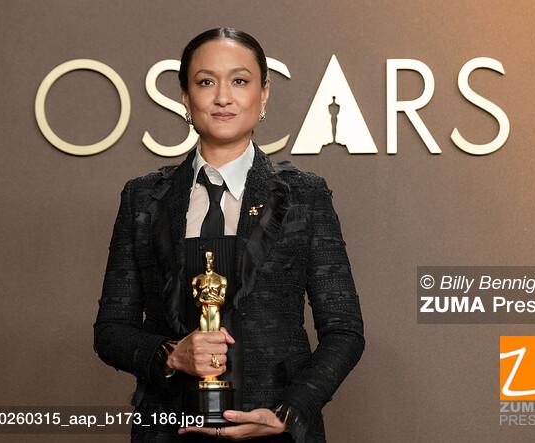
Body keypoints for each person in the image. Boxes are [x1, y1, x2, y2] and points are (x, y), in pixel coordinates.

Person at [93, 27, 365, 443]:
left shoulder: (304, 195)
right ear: (186, 98)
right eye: (206, 82)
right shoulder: (143, 198)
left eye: (239, 81)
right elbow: (111, 330)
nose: (223, 97)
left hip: (275, 431)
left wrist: (288, 412)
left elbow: (344, 331)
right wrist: (170, 355)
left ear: (264, 94)